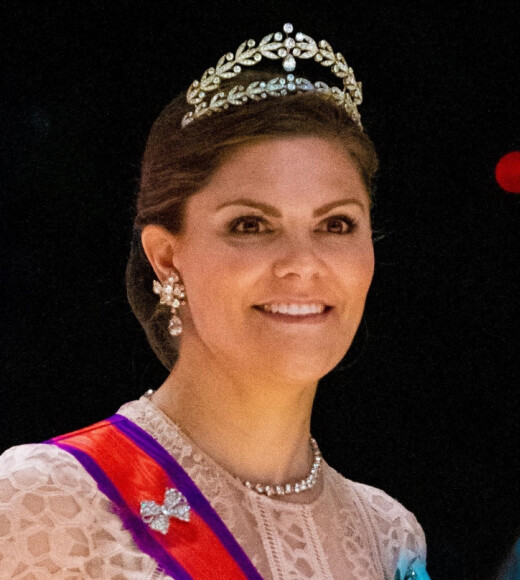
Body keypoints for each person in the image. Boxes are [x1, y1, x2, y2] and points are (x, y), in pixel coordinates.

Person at [0, 23, 429, 579]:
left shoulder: (388, 535)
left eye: (336, 223)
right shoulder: (48, 503)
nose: (302, 262)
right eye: (251, 224)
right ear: (166, 258)